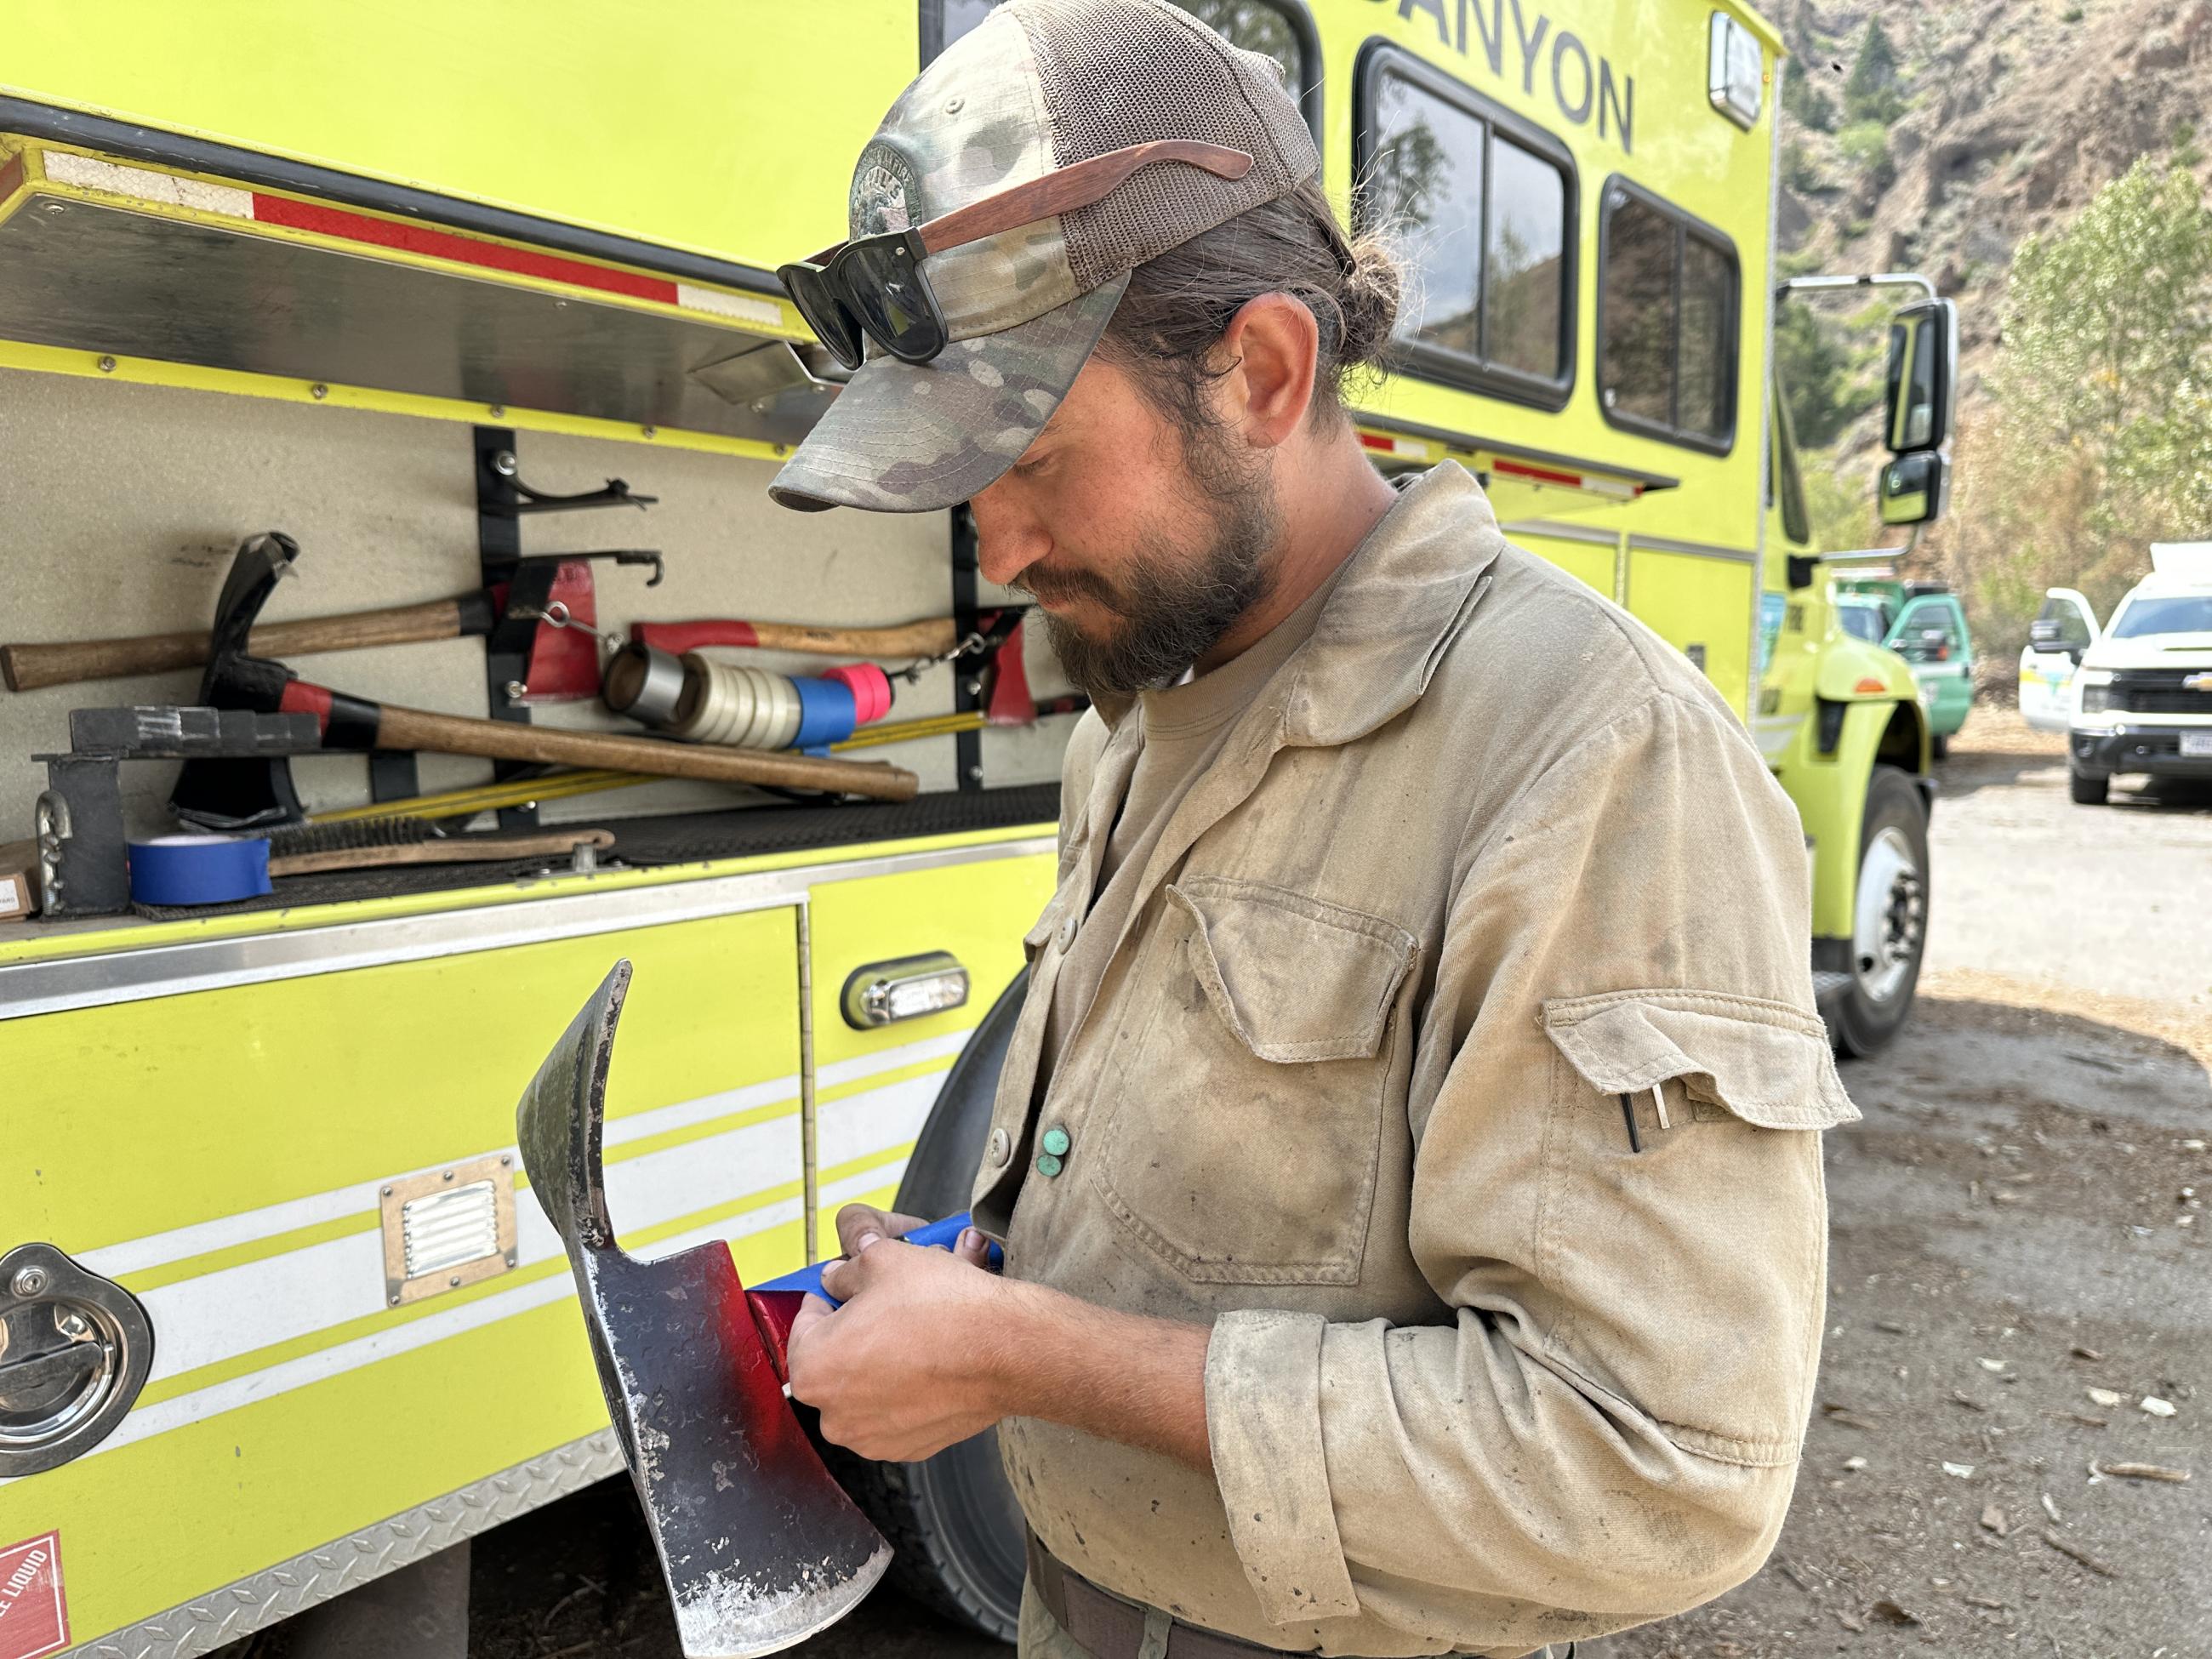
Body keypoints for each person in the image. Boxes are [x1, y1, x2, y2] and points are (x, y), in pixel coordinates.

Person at [775, 3, 1857, 1656]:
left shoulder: (1589, 750)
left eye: (1036, 459)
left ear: (1265, 371)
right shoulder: (1139, 707)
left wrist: (1031, 1357)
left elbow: (1655, 1471)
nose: (995, 548)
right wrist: (971, 1273)